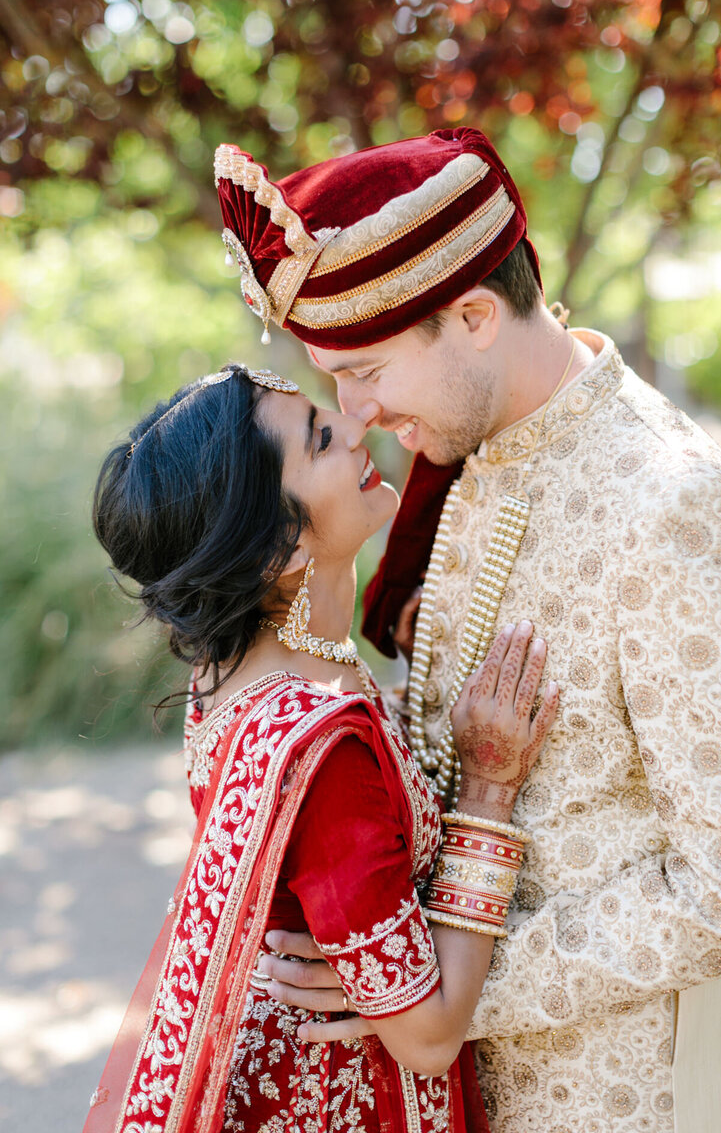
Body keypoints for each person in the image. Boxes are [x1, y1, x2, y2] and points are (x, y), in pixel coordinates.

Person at [214, 130, 721, 1133]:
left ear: (475, 315)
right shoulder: (474, 453)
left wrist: (423, 989)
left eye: (363, 371)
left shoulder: (669, 510)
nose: (349, 417)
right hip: (453, 1081)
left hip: (608, 1092)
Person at [83, 362, 561, 1133]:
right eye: (319, 439)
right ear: (279, 551)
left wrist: (369, 968)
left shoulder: (234, 671)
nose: (354, 424)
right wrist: (488, 789)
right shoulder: (320, 749)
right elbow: (430, 1035)